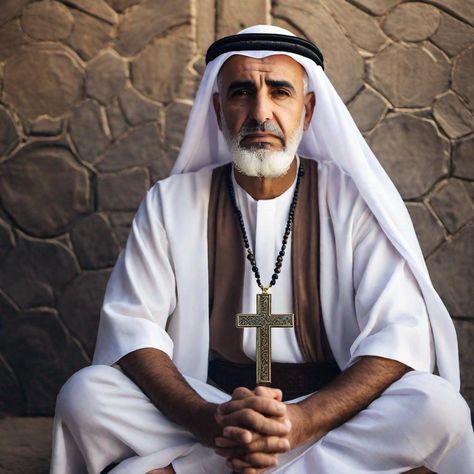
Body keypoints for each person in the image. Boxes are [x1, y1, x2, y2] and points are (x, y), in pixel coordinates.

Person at [50, 25, 474, 474]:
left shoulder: (352, 201)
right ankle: (265, 457)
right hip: (209, 409)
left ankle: (223, 464)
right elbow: (135, 330)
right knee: (86, 395)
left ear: (307, 110)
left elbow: (396, 334)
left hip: (326, 415)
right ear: (218, 110)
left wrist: (301, 421)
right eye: (241, 93)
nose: (260, 112)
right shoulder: (170, 202)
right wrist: (210, 423)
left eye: (279, 92)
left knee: (436, 406)